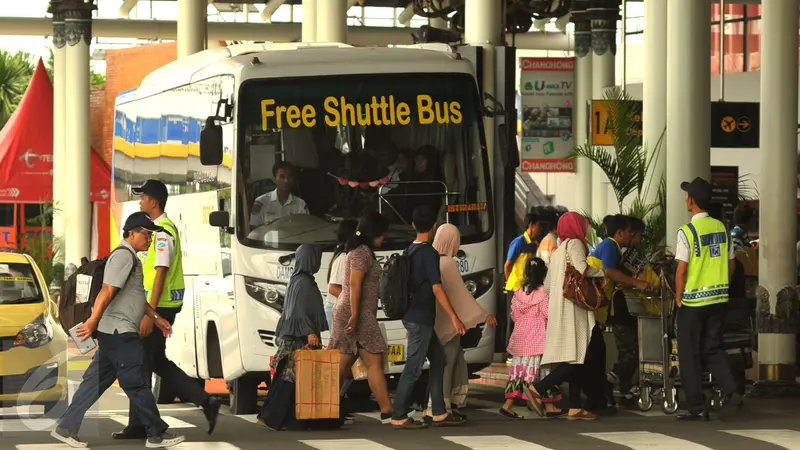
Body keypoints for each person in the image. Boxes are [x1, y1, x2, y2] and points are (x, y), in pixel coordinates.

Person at [51, 212, 185, 449]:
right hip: (119, 333)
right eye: (146, 233)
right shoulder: (124, 256)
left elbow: (133, 296)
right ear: (131, 233)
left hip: (113, 331)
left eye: (151, 234)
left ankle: (65, 427)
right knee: (136, 382)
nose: (150, 238)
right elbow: (107, 291)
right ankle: (156, 433)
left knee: (93, 382)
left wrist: (155, 317)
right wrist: (92, 321)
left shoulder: (130, 257)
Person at [113, 180, 220, 440]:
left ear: (154, 201)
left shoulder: (162, 232)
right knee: (154, 361)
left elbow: (161, 272)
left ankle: (142, 424)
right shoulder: (159, 228)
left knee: (142, 363)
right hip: (157, 305)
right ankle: (204, 401)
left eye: (143, 197)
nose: (140, 201)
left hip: (159, 306)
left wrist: (152, 315)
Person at [524, 212, 605, 421]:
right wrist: (602, 271)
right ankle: (537, 389)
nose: (585, 229)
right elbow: (582, 269)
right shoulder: (576, 244)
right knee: (578, 356)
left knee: (576, 355)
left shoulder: (559, 250)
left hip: (561, 308)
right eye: (583, 225)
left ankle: (575, 406)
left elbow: (549, 286)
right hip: (574, 310)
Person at [392, 206, 466, 430]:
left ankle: (439, 413)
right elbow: (437, 288)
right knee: (413, 368)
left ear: (413, 226)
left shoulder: (409, 250)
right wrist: (454, 317)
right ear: (434, 226)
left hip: (413, 316)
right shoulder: (428, 253)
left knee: (438, 359)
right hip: (421, 318)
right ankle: (399, 415)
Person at [674, 177, 742, 421]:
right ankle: (733, 389)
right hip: (719, 298)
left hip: (693, 301)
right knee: (711, 347)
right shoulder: (723, 229)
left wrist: (679, 298)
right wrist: (719, 284)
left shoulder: (687, 231)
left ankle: (697, 407)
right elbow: (732, 265)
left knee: (689, 353)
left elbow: (681, 269)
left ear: (691, 200)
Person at [256, 245, 343, 431]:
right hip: (298, 338)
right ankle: (272, 417)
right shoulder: (303, 282)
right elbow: (299, 311)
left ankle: (284, 418)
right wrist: (309, 332)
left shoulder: (299, 279)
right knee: (289, 379)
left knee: (291, 379)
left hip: (295, 336)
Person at [423, 223, 497, 421]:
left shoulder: (431, 260)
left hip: (435, 322)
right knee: (448, 364)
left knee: (450, 363)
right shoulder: (447, 263)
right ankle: (440, 408)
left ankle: (444, 405)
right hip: (450, 322)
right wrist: (482, 314)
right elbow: (461, 295)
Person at [329, 211, 394, 423]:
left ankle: (327, 407)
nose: (384, 238)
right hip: (356, 312)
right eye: (382, 233)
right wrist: (356, 315)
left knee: (344, 361)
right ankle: (387, 411)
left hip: (351, 311)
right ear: (373, 232)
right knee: (374, 360)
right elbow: (355, 283)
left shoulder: (359, 251)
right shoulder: (362, 252)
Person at [588, 214, 650, 408]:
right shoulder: (610, 245)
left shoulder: (616, 248)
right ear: (621, 232)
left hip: (603, 307)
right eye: (631, 233)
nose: (633, 238)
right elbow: (609, 272)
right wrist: (636, 282)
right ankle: (607, 383)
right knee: (628, 351)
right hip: (603, 306)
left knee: (618, 351)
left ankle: (618, 391)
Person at [501, 258, 563, 419]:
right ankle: (549, 405)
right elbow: (549, 314)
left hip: (520, 339)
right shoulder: (543, 294)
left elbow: (513, 314)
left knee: (519, 373)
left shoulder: (518, 292)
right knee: (542, 372)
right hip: (538, 339)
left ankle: (508, 405)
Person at [250, 161, 309, 226]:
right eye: (282, 176)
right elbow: (254, 228)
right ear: (274, 179)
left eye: (289, 177)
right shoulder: (262, 202)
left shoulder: (300, 204)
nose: (286, 181)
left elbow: (305, 229)